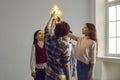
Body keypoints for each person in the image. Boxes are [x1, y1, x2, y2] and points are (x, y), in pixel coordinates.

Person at [44, 12, 71, 80]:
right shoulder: (65, 46)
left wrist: (51, 17)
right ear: (66, 33)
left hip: (49, 74)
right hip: (60, 76)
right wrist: (69, 77)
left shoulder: (47, 39)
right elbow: (66, 64)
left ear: (55, 29)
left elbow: (47, 29)